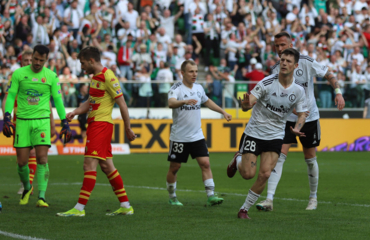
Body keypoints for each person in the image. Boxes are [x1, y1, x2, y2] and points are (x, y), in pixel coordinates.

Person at [255, 32, 345, 211]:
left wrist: (338, 92)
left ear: (291, 44)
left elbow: (329, 74)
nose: (280, 49)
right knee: (279, 157)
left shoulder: (306, 62)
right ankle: (269, 200)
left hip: (309, 118)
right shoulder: (275, 70)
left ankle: (313, 198)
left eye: (283, 45)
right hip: (286, 119)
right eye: (277, 46)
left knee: (310, 159)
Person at [227, 48, 308, 219]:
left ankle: (244, 209)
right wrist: (245, 105)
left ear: (296, 65)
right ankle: (238, 159)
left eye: (288, 61)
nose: (284, 63)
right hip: (254, 132)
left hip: (275, 135)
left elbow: (302, 114)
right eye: (282, 60)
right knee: (248, 175)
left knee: (264, 174)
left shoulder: (299, 90)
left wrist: (297, 129)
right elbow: (249, 103)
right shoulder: (266, 83)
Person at [57, 46, 137, 217]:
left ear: (92, 61)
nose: (82, 67)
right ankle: (125, 205)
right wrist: (76, 111)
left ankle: (79, 209)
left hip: (101, 125)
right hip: (96, 124)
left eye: (83, 63)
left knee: (88, 165)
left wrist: (128, 127)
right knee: (107, 166)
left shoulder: (109, 76)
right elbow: (91, 101)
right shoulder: (95, 78)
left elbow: (122, 103)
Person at [2, 45, 71, 207]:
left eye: (41, 60)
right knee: (21, 162)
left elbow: (58, 100)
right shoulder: (19, 74)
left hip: (42, 121)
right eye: (35, 59)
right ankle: (27, 187)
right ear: (31, 56)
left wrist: (64, 121)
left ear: (46, 60)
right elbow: (11, 95)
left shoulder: (52, 76)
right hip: (22, 121)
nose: (38, 63)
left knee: (42, 158)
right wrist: (6, 116)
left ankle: (42, 197)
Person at [166, 60, 232, 206]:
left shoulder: (199, 88)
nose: (194, 74)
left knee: (205, 163)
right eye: (191, 71)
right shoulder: (176, 88)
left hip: (197, 135)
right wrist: (184, 101)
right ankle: (172, 196)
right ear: (182, 73)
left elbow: (207, 102)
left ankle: (211, 195)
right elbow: (171, 103)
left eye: (196, 71)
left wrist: (223, 112)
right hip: (179, 137)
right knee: (175, 167)